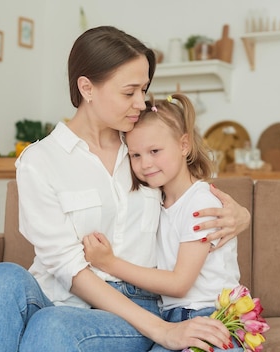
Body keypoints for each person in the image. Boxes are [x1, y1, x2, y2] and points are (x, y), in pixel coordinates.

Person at [0, 26, 250, 352]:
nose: (141, 103)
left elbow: (191, 192)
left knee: (53, 326)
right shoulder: (39, 161)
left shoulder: (144, 149)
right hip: (57, 298)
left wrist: (241, 215)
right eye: (129, 93)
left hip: (133, 309)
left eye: (144, 89)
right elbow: (67, 267)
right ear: (87, 88)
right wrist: (165, 332)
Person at [83, 93, 243, 352]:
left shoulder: (200, 202)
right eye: (135, 155)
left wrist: (108, 262)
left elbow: (179, 283)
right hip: (172, 321)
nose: (145, 164)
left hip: (212, 318)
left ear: (184, 145)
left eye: (155, 151)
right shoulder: (154, 201)